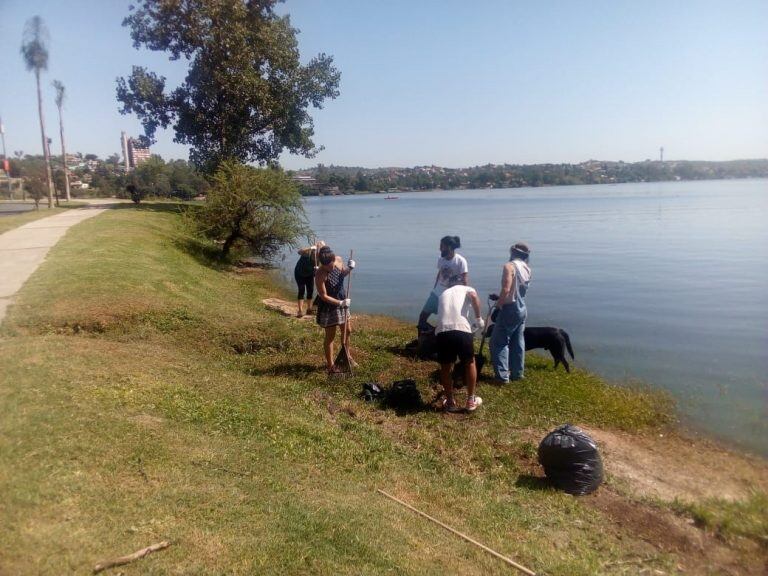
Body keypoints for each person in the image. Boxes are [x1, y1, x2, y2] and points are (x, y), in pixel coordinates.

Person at [435, 283, 485, 412]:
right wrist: (478, 319)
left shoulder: (443, 294)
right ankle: (470, 400)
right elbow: (473, 296)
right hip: (462, 329)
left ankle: (450, 402)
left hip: (442, 331)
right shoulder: (468, 288)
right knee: (470, 362)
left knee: (445, 367)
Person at [489, 242, 532, 383]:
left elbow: (507, 289)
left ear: (512, 252)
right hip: (522, 309)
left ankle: (502, 377)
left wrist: (498, 306)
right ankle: (517, 373)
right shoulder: (527, 268)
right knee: (518, 342)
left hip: (510, 309)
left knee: (498, 342)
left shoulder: (509, 266)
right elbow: (517, 290)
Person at [315, 246, 356, 374]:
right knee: (330, 336)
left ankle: (347, 356)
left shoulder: (338, 260)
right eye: (326, 266)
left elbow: (342, 273)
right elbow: (323, 295)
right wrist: (340, 303)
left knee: (347, 330)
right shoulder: (320, 274)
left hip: (342, 300)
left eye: (331, 265)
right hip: (330, 306)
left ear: (334, 259)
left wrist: (349, 268)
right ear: (322, 264)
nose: (330, 268)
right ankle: (331, 365)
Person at [417, 235, 469, 334]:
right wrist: (434, 288)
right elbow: (439, 273)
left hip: (450, 297)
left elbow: (465, 280)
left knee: (444, 322)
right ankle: (422, 341)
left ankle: (438, 338)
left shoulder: (460, 261)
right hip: (436, 294)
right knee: (422, 318)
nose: (440, 248)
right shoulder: (441, 259)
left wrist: (465, 297)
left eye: (442, 246)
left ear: (449, 247)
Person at [294, 241, 325, 317]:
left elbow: (323, 268)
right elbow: (299, 252)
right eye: (320, 248)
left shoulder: (321, 257)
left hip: (310, 274)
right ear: (317, 247)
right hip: (299, 273)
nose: (321, 250)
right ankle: (300, 311)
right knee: (301, 290)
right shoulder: (308, 252)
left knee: (310, 291)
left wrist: (318, 269)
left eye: (322, 249)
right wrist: (310, 247)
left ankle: (309, 309)